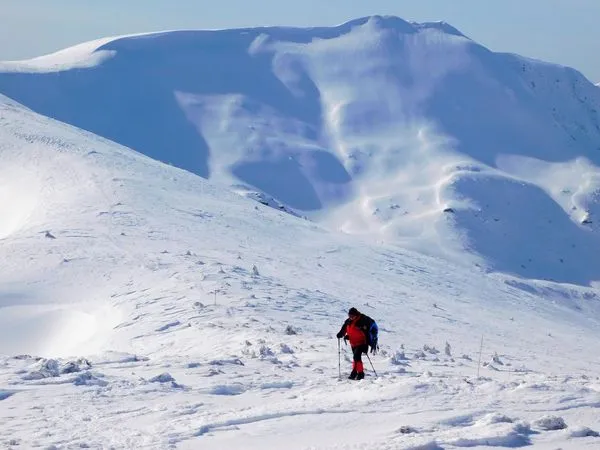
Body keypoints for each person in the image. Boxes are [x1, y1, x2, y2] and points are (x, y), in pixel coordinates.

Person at [336, 307, 378, 380]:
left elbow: (366, 332)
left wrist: (368, 342)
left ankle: (360, 373)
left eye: (352, 316)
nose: (350, 317)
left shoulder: (362, 321)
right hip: (353, 343)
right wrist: (341, 334)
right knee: (355, 358)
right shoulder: (348, 321)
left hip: (362, 343)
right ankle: (355, 371)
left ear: (356, 315)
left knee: (356, 357)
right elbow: (344, 329)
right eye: (349, 315)